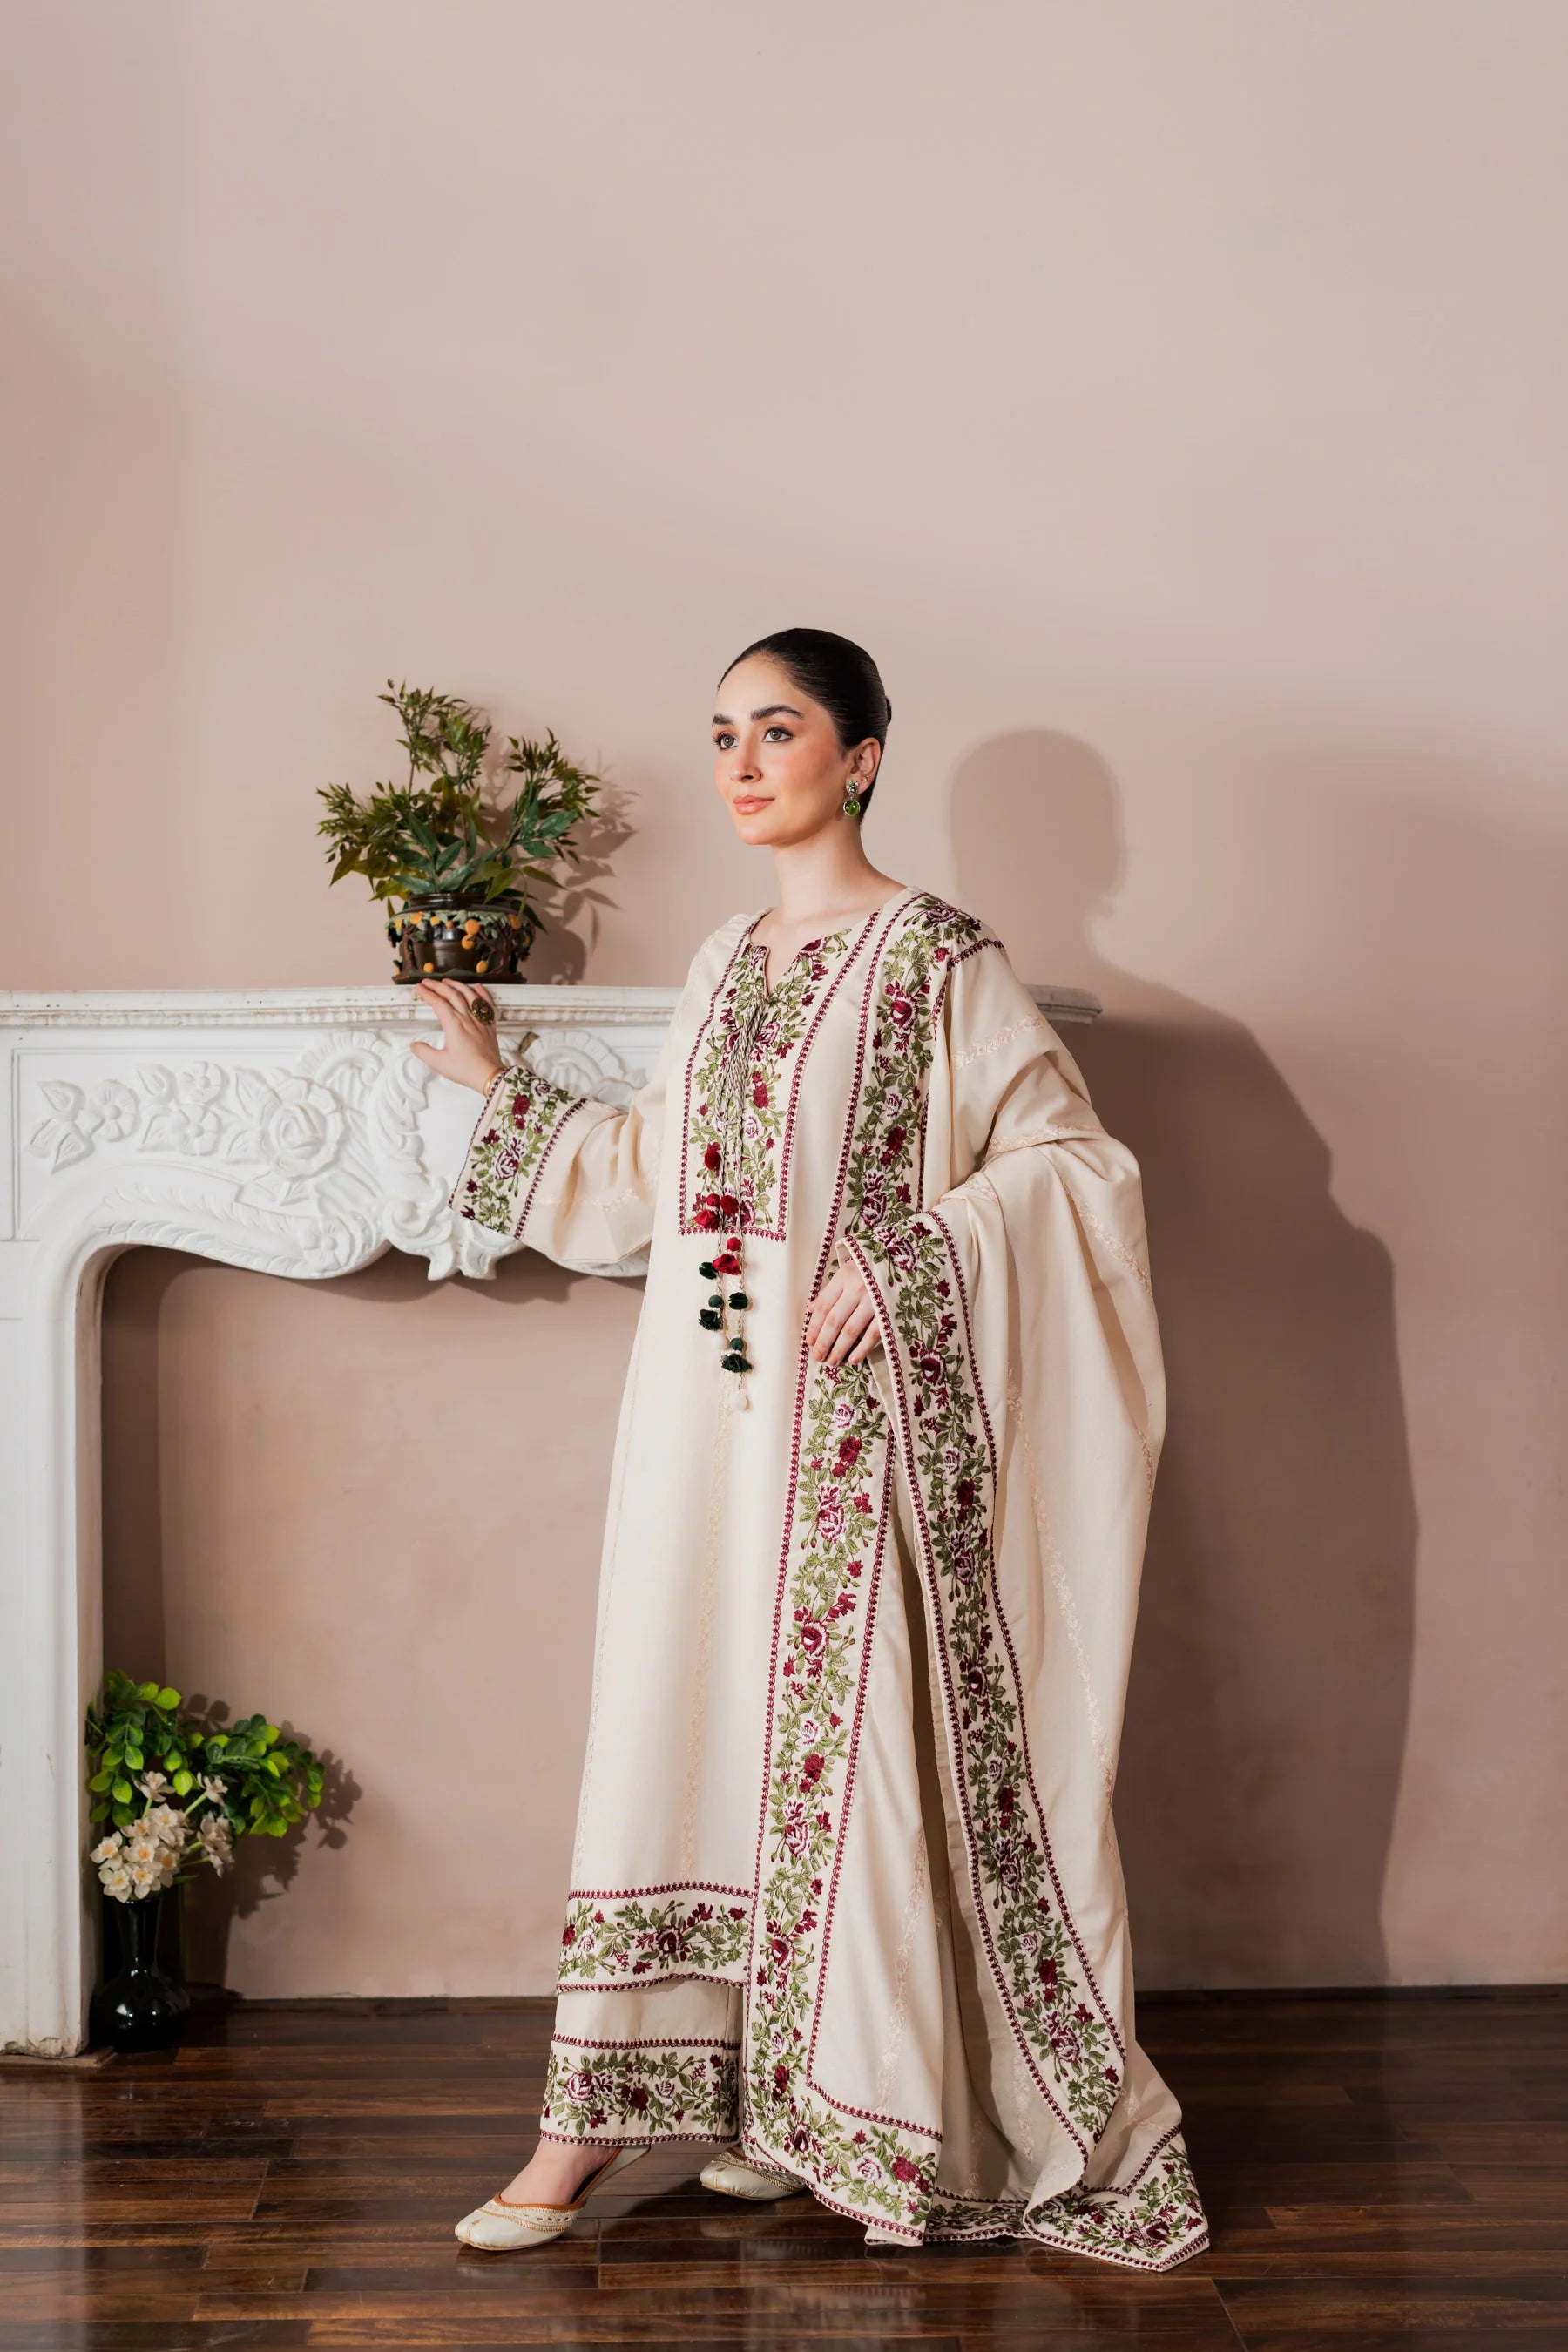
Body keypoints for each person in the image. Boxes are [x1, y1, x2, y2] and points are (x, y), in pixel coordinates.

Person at [410, 627, 1207, 2267]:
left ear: (861, 758)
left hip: (854, 1436)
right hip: (702, 1422)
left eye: (777, 730)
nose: (742, 764)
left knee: (840, 1758)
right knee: (681, 1721)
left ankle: (821, 2106)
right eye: (722, 735)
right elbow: (666, 1178)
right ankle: (670, 2111)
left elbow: (1074, 1168)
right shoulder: (725, 961)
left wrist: (912, 1258)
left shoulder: (936, 960)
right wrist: (504, 1095)